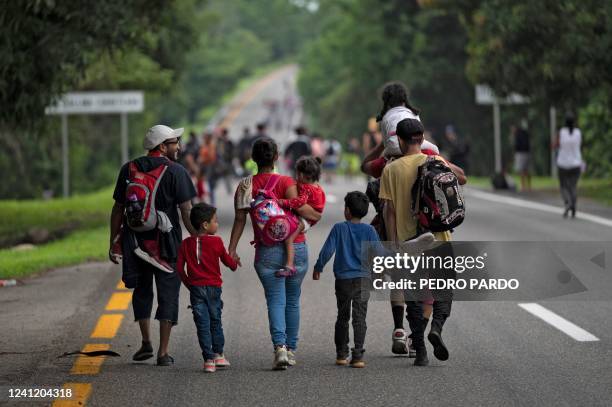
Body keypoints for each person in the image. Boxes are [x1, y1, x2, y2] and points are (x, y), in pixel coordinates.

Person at [228, 137, 321, 370]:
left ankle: (279, 347)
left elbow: (240, 220)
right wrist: (317, 215)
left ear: (253, 159)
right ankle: (290, 350)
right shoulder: (287, 182)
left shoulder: (245, 185)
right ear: (277, 156)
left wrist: (232, 249)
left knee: (275, 300)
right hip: (296, 246)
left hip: (266, 250)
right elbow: (305, 211)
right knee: (292, 300)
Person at [379, 118, 466, 366]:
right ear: (422, 138)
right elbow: (462, 179)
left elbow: (390, 211)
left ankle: (420, 352)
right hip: (439, 237)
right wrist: (439, 157)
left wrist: (394, 244)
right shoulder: (435, 161)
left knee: (414, 299)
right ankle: (436, 328)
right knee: (444, 291)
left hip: (409, 243)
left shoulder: (391, 170)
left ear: (400, 141)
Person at [109, 124, 197, 366]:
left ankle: (146, 342)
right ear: (162, 146)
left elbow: (118, 208)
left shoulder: (129, 168)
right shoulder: (176, 171)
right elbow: (186, 210)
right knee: (168, 292)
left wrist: (113, 242)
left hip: (135, 240)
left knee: (142, 290)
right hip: (166, 243)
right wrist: (197, 237)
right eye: (174, 142)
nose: (178, 147)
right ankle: (162, 352)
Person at [313, 191, 380, 368]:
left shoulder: (339, 228)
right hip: (363, 279)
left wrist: (318, 267)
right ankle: (358, 355)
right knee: (360, 318)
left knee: (342, 316)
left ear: (347, 211)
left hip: (343, 279)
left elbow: (328, 250)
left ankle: (341, 354)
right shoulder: (370, 230)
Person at [176, 203, 238, 373]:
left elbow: (180, 269)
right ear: (205, 224)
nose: (217, 224)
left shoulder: (186, 244)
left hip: (196, 289)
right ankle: (219, 354)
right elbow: (229, 263)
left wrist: (190, 284)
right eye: (215, 221)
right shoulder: (217, 242)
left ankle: (208, 360)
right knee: (215, 321)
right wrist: (234, 262)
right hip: (213, 288)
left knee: (202, 324)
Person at [277, 156, 326, 277]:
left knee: (289, 239)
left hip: (305, 220)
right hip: (310, 218)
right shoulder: (317, 187)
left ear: (302, 175)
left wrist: (283, 202)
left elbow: (299, 203)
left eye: (297, 174)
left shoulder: (306, 188)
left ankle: (289, 265)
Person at [554, 115, 583, 218]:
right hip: (576, 163)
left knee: (563, 186)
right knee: (573, 186)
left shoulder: (561, 132)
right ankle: (573, 205)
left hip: (563, 163)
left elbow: (555, 145)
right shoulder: (578, 132)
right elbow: (580, 145)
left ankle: (567, 202)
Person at [512, 122, 531, 191]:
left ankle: (523, 186)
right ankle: (529, 186)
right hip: (527, 153)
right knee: (526, 170)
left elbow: (516, 145)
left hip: (520, 153)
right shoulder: (525, 133)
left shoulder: (517, 134)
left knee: (521, 170)